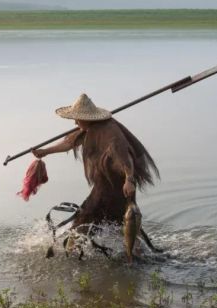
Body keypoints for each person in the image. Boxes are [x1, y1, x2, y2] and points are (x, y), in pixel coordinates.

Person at [32, 93, 159, 263]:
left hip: (116, 189)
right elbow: (69, 143)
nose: (75, 122)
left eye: (77, 119)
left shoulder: (109, 131)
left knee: (82, 223)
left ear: (88, 118)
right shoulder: (89, 128)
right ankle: (133, 257)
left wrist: (129, 179)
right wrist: (45, 151)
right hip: (108, 186)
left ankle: (72, 258)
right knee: (118, 225)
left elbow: (125, 155)